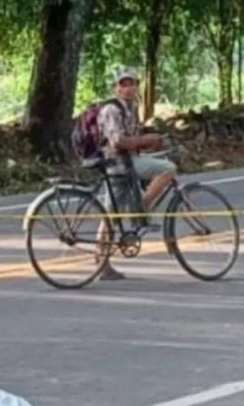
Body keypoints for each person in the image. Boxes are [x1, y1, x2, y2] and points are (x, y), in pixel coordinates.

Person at [96, 66, 177, 281]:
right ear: (115, 88)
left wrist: (149, 142)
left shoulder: (130, 109)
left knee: (111, 215)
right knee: (168, 168)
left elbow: (132, 140)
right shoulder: (112, 110)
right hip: (118, 164)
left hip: (128, 162)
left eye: (132, 83)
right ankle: (142, 207)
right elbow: (118, 141)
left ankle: (102, 263)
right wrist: (145, 140)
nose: (128, 88)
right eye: (123, 84)